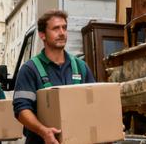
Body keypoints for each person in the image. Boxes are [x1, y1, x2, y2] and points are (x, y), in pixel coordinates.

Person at [12, 10, 96, 144]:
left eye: (64, 28)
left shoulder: (81, 67)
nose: (62, 33)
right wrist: (43, 131)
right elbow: (21, 110)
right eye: (56, 28)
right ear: (42, 35)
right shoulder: (30, 69)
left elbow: (93, 104)